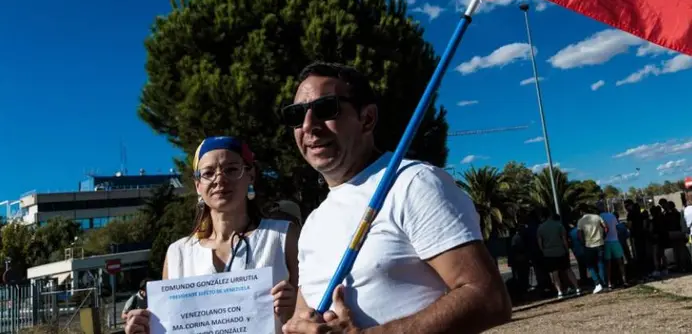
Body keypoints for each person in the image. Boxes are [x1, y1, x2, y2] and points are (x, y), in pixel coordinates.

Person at [283, 62, 511, 333]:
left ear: (366, 119)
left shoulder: (414, 183)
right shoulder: (313, 223)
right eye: (296, 115)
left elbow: (488, 297)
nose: (309, 125)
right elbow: (303, 315)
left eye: (325, 109)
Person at [125, 137, 300, 334]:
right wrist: (146, 329)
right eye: (208, 173)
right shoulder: (178, 254)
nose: (219, 179)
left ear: (250, 175)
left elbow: (310, 314)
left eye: (231, 169)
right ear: (198, 184)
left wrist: (295, 309)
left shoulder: (282, 237)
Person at [535, 212, 579, 298]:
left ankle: (559, 291)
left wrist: (544, 251)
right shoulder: (559, 225)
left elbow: (540, 242)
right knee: (568, 270)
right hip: (561, 251)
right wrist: (567, 250)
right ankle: (577, 288)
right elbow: (564, 239)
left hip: (549, 253)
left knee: (554, 274)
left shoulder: (540, 228)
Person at [576, 206, 609, 293]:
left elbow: (579, 234)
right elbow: (606, 227)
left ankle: (597, 283)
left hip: (589, 245)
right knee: (600, 264)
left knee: (590, 265)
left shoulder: (580, 221)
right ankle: (604, 284)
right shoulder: (597, 217)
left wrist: (583, 242)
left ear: (581, 212)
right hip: (600, 243)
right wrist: (603, 236)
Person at [598, 202, 629, 287]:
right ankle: (624, 280)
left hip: (606, 242)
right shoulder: (612, 216)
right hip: (615, 240)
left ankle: (609, 283)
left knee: (608, 264)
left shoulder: (599, 217)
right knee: (620, 262)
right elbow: (616, 226)